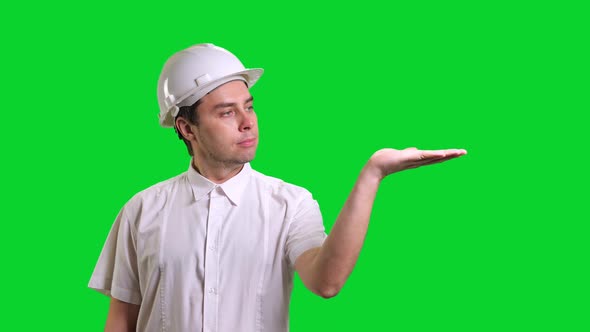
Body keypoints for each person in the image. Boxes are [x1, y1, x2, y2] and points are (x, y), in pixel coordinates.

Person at [89, 43, 467, 332]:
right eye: (226, 112)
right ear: (186, 128)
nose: (247, 122)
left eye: (249, 107)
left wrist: (372, 175)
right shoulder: (141, 210)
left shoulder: (289, 204)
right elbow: (121, 320)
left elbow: (326, 281)